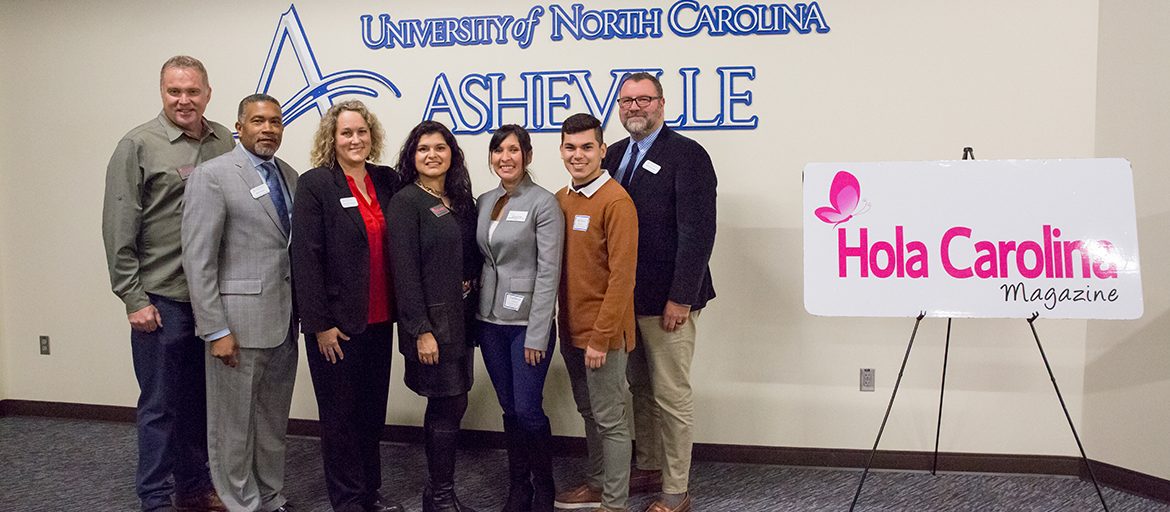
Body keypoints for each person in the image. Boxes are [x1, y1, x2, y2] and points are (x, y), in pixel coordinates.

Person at [102, 55, 231, 512]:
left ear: (208, 93)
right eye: (174, 91)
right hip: (161, 299)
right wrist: (132, 298)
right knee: (160, 406)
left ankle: (193, 487)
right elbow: (118, 228)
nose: (183, 100)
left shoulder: (224, 142)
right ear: (162, 92)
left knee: (199, 402)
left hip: (209, 301)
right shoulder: (138, 145)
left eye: (192, 91)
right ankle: (155, 497)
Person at [602, 72, 718, 512]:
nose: (634, 107)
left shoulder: (688, 155)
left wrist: (681, 297)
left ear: (662, 104)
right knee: (640, 388)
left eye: (644, 99)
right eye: (627, 101)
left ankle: (676, 489)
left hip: (670, 301)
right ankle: (649, 466)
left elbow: (698, 232)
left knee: (671, 396)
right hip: (627, 300)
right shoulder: (613, 155)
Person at [181, 94, 299, 512]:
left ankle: (270, 497)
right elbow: (198, 259)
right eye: (258, 121)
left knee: (271, 424)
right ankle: (239, 503)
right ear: (239, 127)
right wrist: (215, 329)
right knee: (232, 426)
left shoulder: (289, 175)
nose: (268, 129)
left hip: (283, 324)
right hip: (236, 326)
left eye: (275, 122)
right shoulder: (212, 176)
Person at [290, 100, 404, 512]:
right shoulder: (316, 184)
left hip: (379, 320)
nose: (355, 139)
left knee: (371, 414)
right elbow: (306, 258)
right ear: (332, 138)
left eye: (361, 132)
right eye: (346, 133)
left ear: (372, 135)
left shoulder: (386, 180)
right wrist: (319, 324)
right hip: (336, 325)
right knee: (340, 418)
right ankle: (348, 500)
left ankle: (370, 492)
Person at [386, 121, 482, 512]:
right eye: (423, 148)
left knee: (454, 402)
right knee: (447, 403)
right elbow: (403, 272)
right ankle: (440, 496)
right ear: (412, 156)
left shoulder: (460, 200)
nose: (432, 155)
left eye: (440, 147)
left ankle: (437, 493)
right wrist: (420, 330)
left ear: (452, 154)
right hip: (433, 325)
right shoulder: (406, 202)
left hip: (462, 320)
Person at [474, 125, 564, 512]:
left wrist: (538, 334)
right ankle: (518, 486)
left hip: (527, 324)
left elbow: (549, 272)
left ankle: (544, 485)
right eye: (498, 151)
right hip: (489, 322)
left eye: (513, 150)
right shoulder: (485, 200)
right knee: (509, 408)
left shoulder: (543, 203)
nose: (505, 157)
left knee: (528, 409)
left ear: (527, 155)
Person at [552, 113, 638, 512]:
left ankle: (615, 503)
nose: (578, 155)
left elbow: (622, 278)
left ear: (603, 150)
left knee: (611, 420)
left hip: (603, 336)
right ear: (561, 150)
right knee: (589, 412)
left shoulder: (617, 201)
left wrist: (601, 338)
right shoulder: (561, 199)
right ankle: (598, 484)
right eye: (570, 147)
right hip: (570, 330)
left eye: (587, 147)